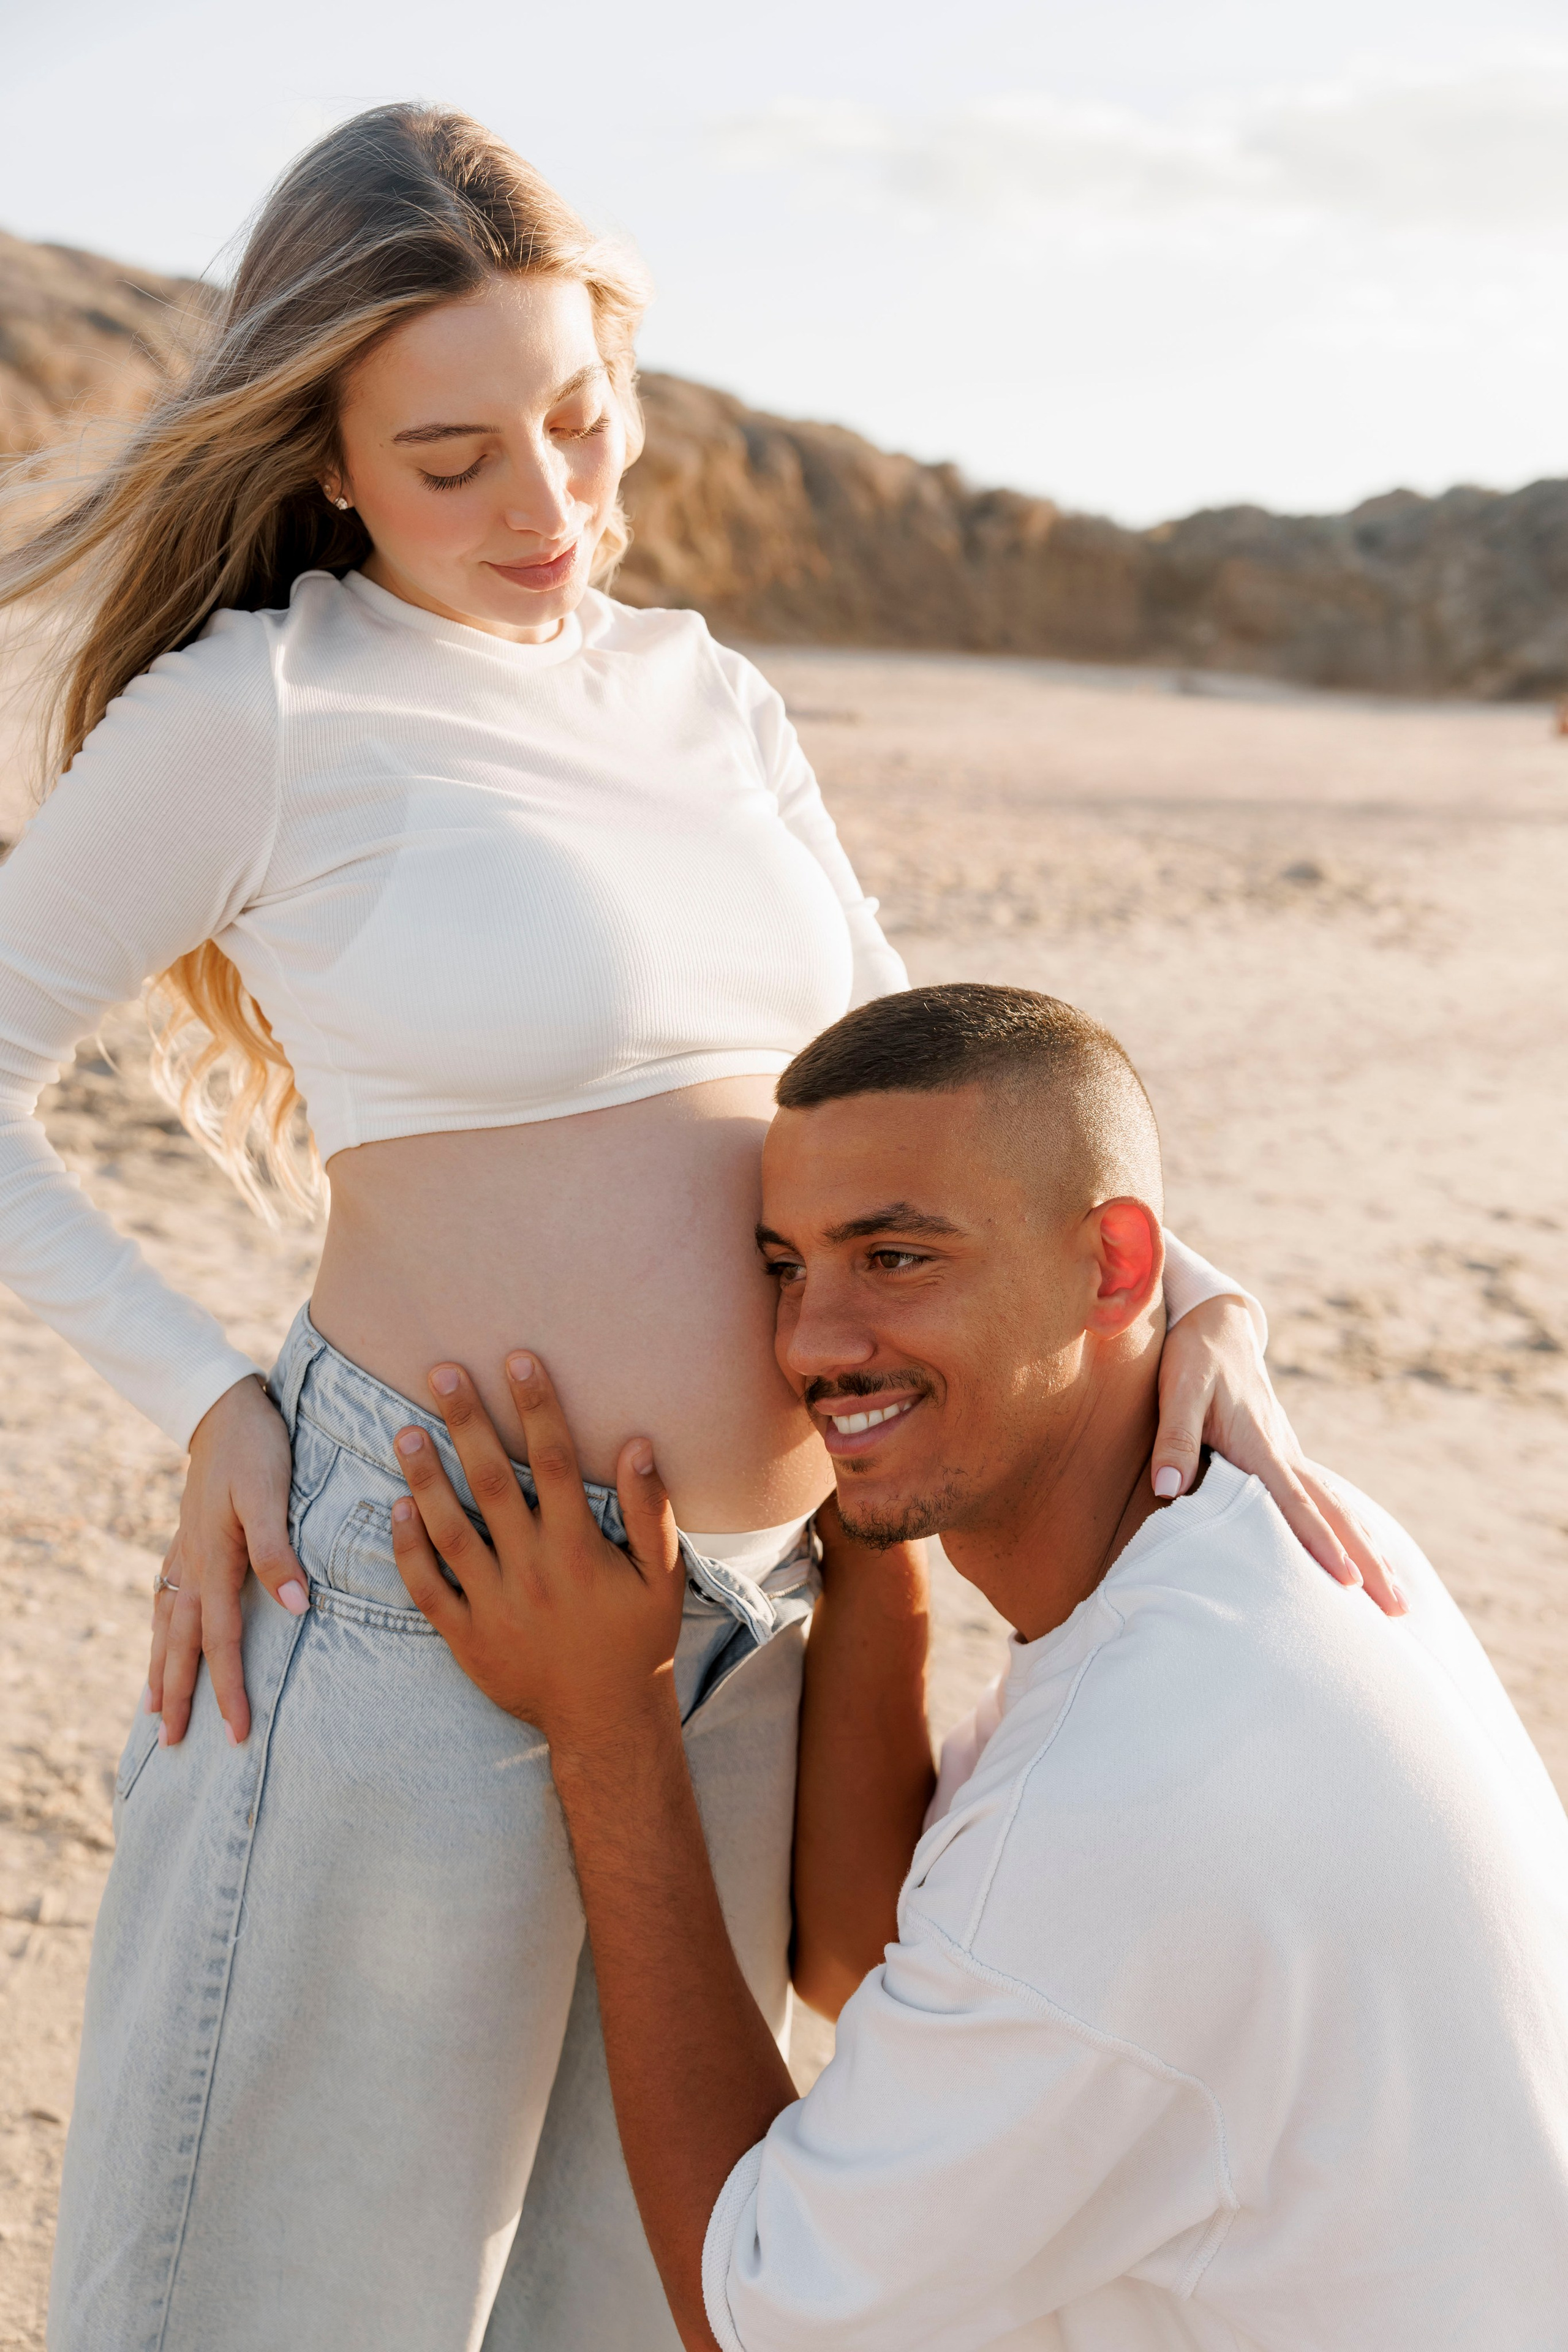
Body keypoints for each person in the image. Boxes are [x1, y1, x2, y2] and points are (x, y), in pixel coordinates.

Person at [0, 108, 1393, 2352]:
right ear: (331, 458)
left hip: (751, 1613)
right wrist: (203, 1405)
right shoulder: (264, 707)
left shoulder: (703, 693)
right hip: (414, 1586)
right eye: (452, 459)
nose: (548, 509)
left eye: (581, 419)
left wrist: (1196, 1295)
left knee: (631, 2297)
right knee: (282, 2300)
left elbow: (914, 1047)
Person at [393, 982, 1568, 2352]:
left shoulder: (1130, 1795)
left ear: (1117, 1267)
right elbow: (863, 1955)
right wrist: (875, 1554)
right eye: (785, 1266)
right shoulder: (1285, 1539)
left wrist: (608, 1726)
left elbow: (752, 2311)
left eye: (894, 1258)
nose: (810, 1346)